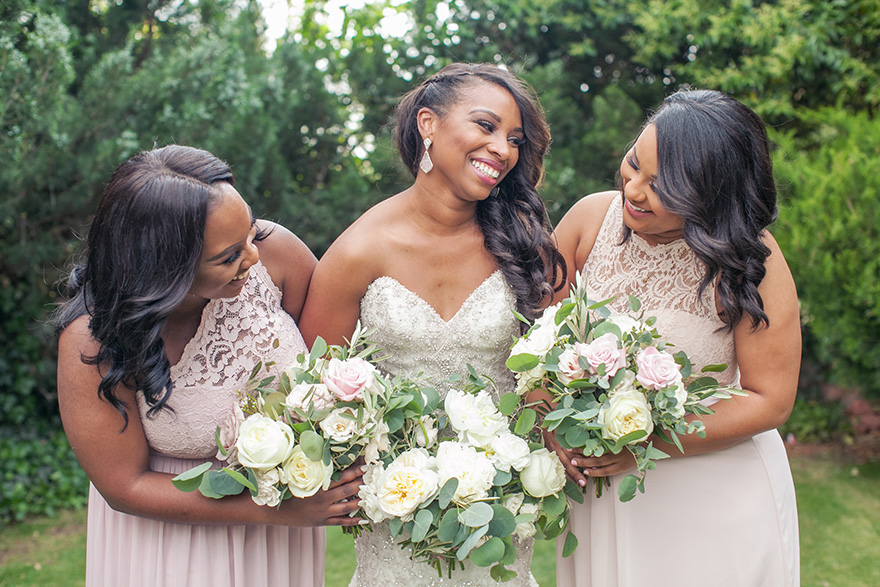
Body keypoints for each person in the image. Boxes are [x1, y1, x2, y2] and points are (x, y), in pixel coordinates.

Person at [298, 63, 565, 586]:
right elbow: (314, 389)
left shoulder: (525, 247)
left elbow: (549, 382)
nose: (504, 150)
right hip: (396, 516)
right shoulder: (359, 250)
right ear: (428, 124)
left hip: (501, 516)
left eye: (514, 139)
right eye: (486, 126)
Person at [54, 145, 365, 587]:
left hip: (279, 542)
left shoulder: (276, 255)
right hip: (169, 539)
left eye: (250, 232)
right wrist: (275, 509)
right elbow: (124, 487)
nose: (252, 257)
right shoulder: (93, 340)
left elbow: (334, 364)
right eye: (227, 256)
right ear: (164, 269)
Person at [548, 89, 800, 586]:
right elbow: (535, 344)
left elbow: (770, 400)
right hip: (605, 496)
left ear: (712, 194)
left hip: (713, 499)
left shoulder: (751, 261)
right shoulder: (587, 222)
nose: (634, 190)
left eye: (663, 186)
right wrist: (553, 422)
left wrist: (646, 437)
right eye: (633, 163)